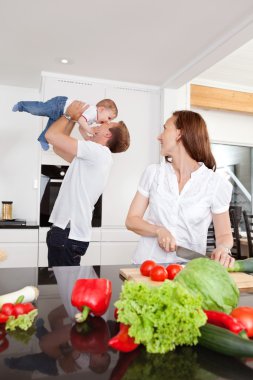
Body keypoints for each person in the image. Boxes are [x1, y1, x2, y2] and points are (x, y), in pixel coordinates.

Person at [125, 110, 234, 268]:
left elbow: (224, 234)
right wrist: (158, 230)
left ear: (179, 134)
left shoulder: (215, 183)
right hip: (147, 266)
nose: (159, 136)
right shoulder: (153, 173)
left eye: (165, 128)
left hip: (188, 270)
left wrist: (223, 249)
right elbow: (131, 220)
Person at [44, 100, 130, 266]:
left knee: (66, 287)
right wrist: (73, 118)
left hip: (68, 233)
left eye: (107, 123)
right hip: (68, 232)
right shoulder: (93, 156)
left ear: (108, 135)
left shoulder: (97, 152)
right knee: (66, 285)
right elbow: (57, 146)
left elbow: (51, 136)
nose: (101, 121)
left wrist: (69, 114)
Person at [12, 96, 118, 150]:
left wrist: (86, 136)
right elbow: (81, 121)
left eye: (110, 120)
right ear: (101, 109)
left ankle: (43, 139)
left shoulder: (92, 119)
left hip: (64, 114)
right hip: (60, 105)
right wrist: (89, 130)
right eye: (109, 118)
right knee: (40, 109)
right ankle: (21, 105)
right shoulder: (92, 111)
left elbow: (81, 127)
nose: (108, 121)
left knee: (52, 127)